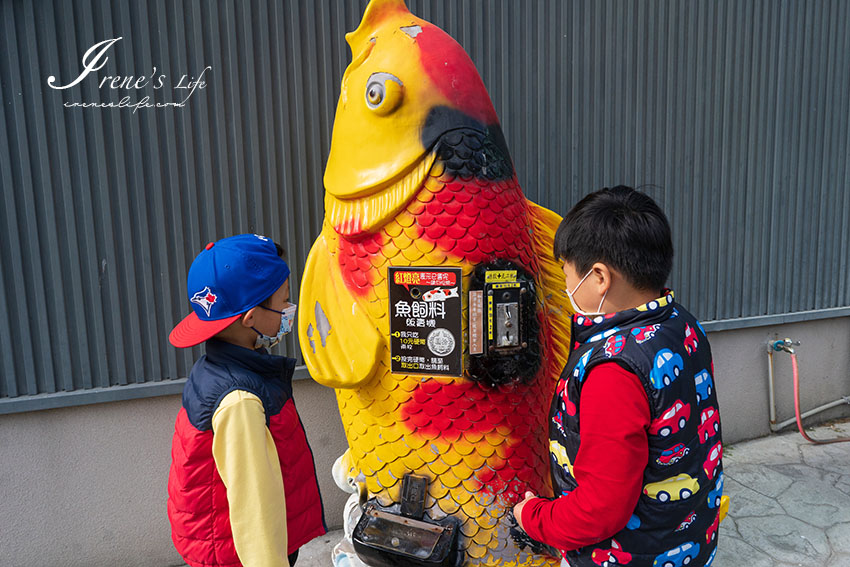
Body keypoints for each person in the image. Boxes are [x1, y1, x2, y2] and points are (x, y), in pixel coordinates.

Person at [514, 186, 723, 567]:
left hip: (626, 556)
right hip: (687, 539)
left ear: (598, 278)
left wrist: (533, 518)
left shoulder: (613, 371)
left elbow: (600, 509)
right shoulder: (682, 323)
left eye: (566, 272)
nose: (564, 285)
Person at [167, 234, 326, 567]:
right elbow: (255, 507)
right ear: (250, 318)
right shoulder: (239, 400)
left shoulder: (217, 368)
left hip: (225, 546)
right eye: (284, 301)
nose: (288, 309)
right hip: (240, 556)